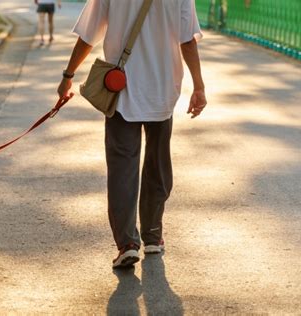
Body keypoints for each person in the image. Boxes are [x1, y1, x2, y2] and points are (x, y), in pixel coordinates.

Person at [57, 0, 207, 269]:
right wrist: (199, 85)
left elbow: (88, 34)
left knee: (122, 169)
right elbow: (187, 40)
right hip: (162, 90)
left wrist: (68, 75)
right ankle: (152, 235)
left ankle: (127, 243)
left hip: (121, 89)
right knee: (158, 164)